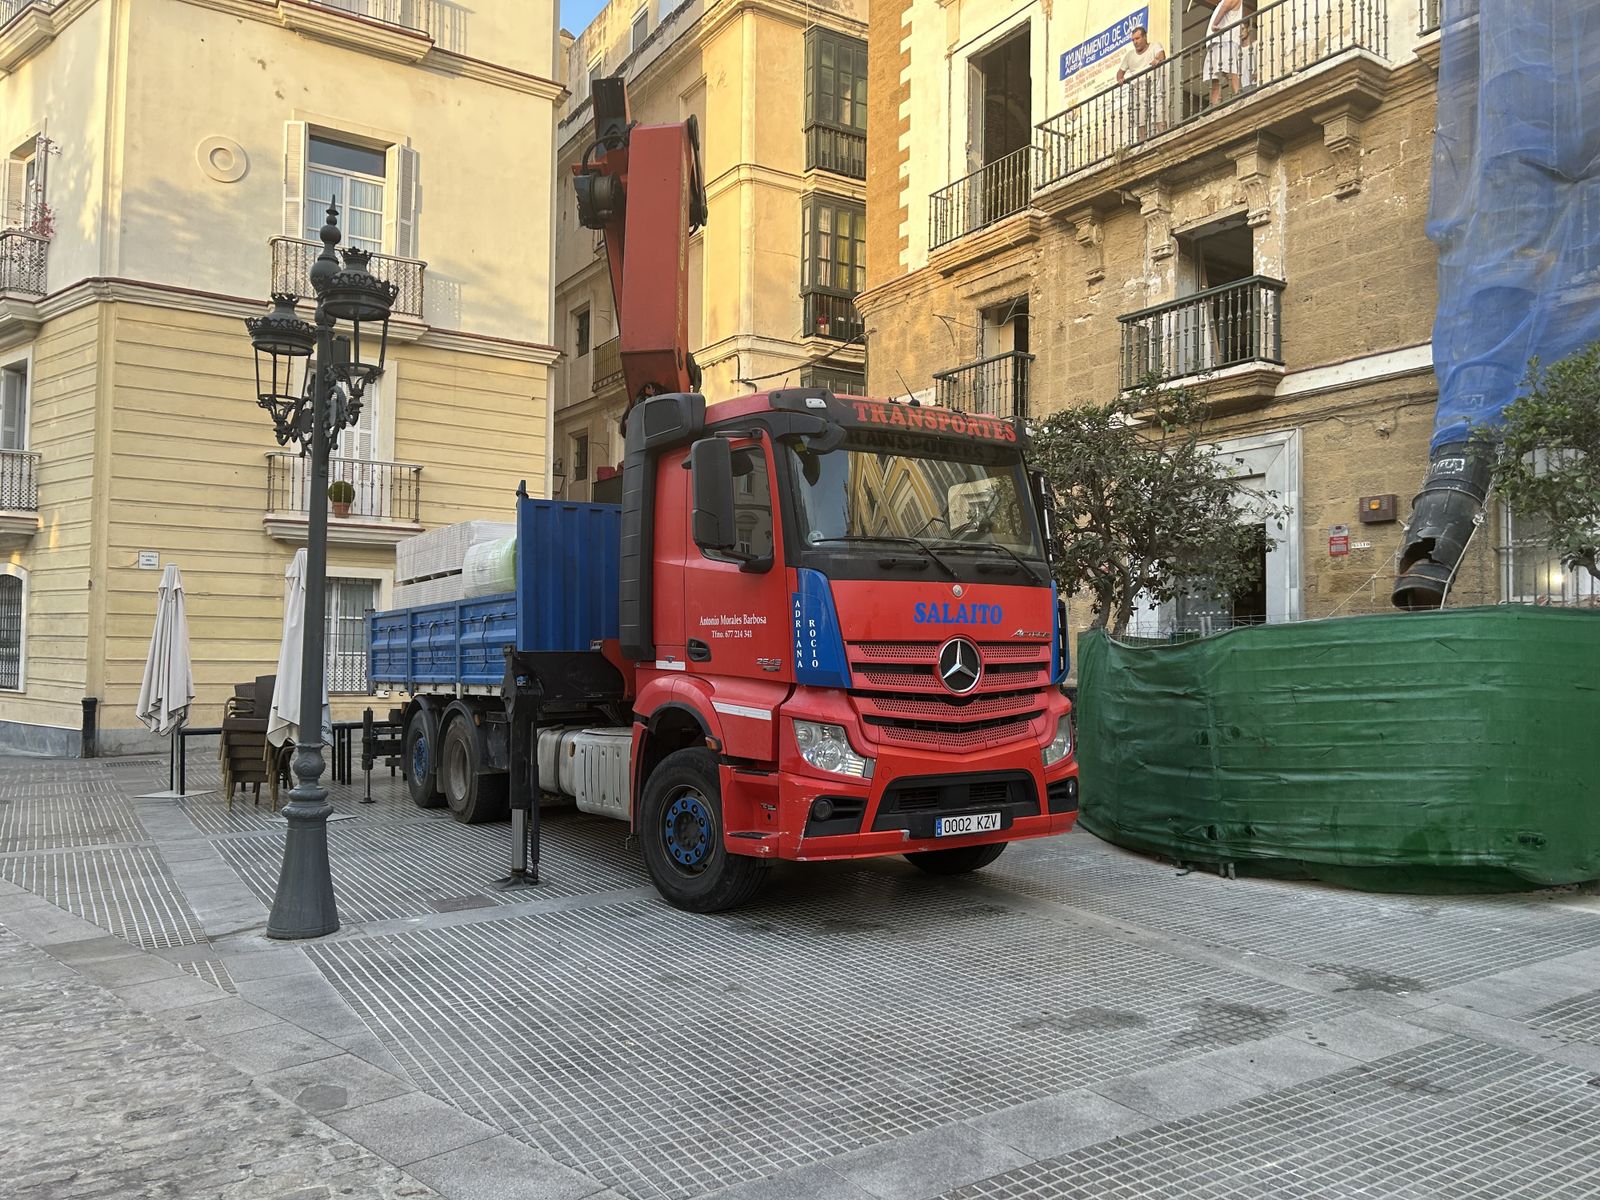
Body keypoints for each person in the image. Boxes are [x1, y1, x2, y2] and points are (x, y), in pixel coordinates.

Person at [1117, 25, 1168, 141]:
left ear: (1145, 37)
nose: (1135, 42)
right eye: (1133, 40)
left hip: (1154, 86)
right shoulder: (1129, 55)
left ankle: (1165, 139)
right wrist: (1121, 79)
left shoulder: (1155, 46)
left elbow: (1161, 55)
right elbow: (1119, 73)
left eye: (1138, 38)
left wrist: (1157, 59)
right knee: (1140, 120)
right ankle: (1141, 143)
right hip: (1137, 90)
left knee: (1159, 114)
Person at [1202, 0, 1244, 108]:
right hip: (1217, 41)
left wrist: (1215, 23)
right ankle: (1214, 105)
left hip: (1225, 39)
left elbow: (1226, 5)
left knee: (1230, 70)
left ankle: (1239, 95)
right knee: (1215, 78)